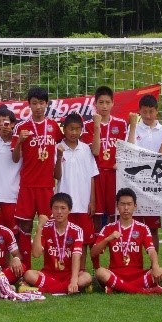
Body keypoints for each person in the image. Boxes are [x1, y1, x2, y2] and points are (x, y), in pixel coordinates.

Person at [12, 87, 64, 269]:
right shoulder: (21, 127)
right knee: (24, 228)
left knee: (50, 227)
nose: (38, 107)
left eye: (41, 103)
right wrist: (19, 142)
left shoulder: (54, 127)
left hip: (47, 186)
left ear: (47, 104)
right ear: (29, 105)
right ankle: (25, 269)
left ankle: (52, 267)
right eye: (34, 103)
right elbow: (15, 158)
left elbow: (61, 148)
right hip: (27, 185)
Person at [91, 188, 162, 294]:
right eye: (122, 204)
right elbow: (93, 252)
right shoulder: (108, 228)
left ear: (135, 206)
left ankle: (117, 288)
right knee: (100, 272)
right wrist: (108, 239)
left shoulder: (142, 228)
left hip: (137, 274)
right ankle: (142, 291)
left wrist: (155, 266)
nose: (126, 208)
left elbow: (151, 250)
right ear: (117, 206)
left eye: (129, 204)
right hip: (116, 273)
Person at [23, 193, 93, 294]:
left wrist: (73, 280)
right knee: (29, 274)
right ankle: (68, 288)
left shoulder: (77, 230)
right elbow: (36, 254)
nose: (59, 212)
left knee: (86, 277)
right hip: (49, 274)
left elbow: (76, 256)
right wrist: (39, 228)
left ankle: (42, 290)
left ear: (69, 210)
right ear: (51, 210)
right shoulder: (46, 227)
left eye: (63, 208)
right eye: (55, 208)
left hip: (69, 274)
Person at [127, 93, 162, 251]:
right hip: (136, 184)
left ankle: (155, 265)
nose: (148, 115)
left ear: (157, 111)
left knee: (153, 228)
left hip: (154, 185)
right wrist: (132, 126)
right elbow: (129, 151)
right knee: (135, 227)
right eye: (144, 112)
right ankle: (135, 264)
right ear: (139, 112)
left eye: (151, 111)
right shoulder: (135, 129)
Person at [55, 113, 98, 269]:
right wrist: (59, 157)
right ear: (64, 130)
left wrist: (92, 201)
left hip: (83, 202)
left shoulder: (86, 149)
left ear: (81, 130)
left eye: (77, 129)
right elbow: (56, 175)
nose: (74, 132)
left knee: (84, 240)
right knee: (66, 239)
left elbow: (92, 175)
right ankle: (65, 271)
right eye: (70, 129)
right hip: (65, 205)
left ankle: (82, 270)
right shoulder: (58, 148)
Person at [82, 85, 128, 230]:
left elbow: (126, 150)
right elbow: (95, 152)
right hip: (96, 174)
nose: (104, 106)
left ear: (113, 103)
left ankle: (116, 246)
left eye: (107, 102)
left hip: (114, 174)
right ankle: (97, 246)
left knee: (114, 213)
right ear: (95, 104)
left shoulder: (120, 124)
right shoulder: (88, 125)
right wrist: (97, 126)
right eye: (101, 102)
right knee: (96, 214)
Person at [0, 107, 21, 234]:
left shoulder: (19, 142)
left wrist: (15, 138)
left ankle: (18, 255)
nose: (2, 124)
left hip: (12, 197)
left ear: (12, 124)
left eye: (5, 121)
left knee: (14, 234)